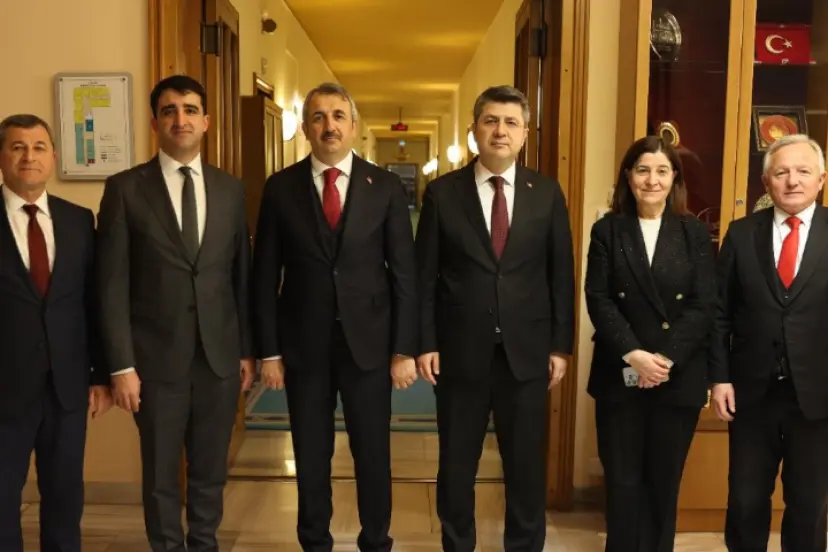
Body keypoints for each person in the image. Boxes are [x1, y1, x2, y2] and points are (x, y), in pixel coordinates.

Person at [251, 82, 418, 552]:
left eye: (339, 115)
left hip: (370, 345)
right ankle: (314, 542)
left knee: (373, 453)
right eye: (319, 117)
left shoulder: (384, 187)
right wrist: (269, 352)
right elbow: (264, 276)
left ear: (354, 125)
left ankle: (376, 541)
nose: (330, 125)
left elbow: (405, 274)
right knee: (310, 453)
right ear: (306, 128)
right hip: (303, 345)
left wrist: (403, 348)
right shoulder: (280, 188)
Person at [96, 75, 255, 552]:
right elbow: (111, 285)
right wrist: (120, 365)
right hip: (154, 363)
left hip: (219, 360)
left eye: (189, 110)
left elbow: (240, 279)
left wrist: (246, 351)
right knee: (161, 475)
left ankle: (204, 544)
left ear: (206, 121)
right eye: (169, 110)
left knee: (210, 470)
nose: (180, 119)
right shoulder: (125, 189)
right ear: (155, 123)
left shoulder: (230, 189)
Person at [415, 85, 575, 552]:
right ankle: (457, 544)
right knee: (457, 466)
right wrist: (425, 342)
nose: (500, 131)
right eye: (490, 121)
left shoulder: (547, 193)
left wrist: (560, 345)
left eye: (510, 122)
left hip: (527, 355)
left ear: (524, 133)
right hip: (459, 353)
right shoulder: (443, 194)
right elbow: (424, 278)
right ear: (474, 131)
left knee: (525, 466)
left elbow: (561, 275)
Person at [584, 136, 716, 551]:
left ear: (674, 177)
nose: (652, 180)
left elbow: (704, 304)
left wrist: (663, 359)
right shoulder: (607, 230)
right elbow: (598, 298)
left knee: (664, 482)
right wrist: (634, 355)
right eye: (643, 170)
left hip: (677, 376)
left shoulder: (694, 232)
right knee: (622, 482)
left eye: (662, 171)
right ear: (628, 176)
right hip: (620, 371)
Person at [710, 134, 828, 552]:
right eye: (781, 172)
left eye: (803, 171)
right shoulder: (741, 234)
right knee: (745, 501)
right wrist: (719, 378)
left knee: (809, 505)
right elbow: (719, 313)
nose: (792, 181)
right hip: (751, 393)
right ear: (766, 181)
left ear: (821, 179)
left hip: (817, 395)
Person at [0, 114, 112, 552]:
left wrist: (100, 374)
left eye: (38, 147)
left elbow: (93, 302)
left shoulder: (78, 220)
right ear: (2, 157)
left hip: (67, 387)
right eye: (17, 147)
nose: (29, 156)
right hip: (4, 388)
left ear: (53, 156)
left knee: (65, 500)